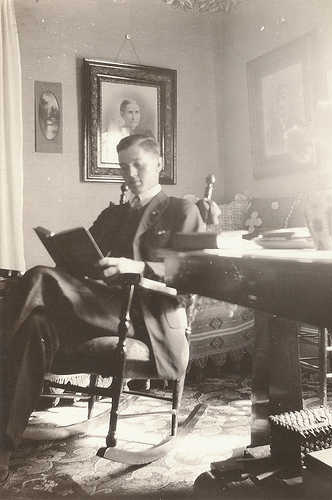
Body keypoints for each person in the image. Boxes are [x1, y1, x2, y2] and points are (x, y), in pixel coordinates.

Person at [0, 134, 205, 483]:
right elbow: (83, 260)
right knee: (35, 323)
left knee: (37, 278)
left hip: (144, 317)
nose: (131, 173)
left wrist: (136, 267)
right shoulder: (114, 214)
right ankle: (3, 448)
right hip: (98, 309)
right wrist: (67, 254)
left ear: (159, 164)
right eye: (124, 166)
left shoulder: (181, 210)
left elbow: (194, 273)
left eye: (138, 164)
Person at [101, 98, 154, 164]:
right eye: (130, 112)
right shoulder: (110, 137)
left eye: (137, 112)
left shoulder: (147, 135)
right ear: (122, 114)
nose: (134, 118)